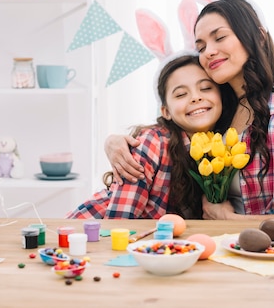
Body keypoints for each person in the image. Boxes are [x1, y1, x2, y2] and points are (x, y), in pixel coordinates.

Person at [106, 0, 274, 221]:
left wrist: (230, 220)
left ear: (257, 36)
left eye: (220, 38)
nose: (208, 51)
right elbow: (169, 133)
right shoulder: (220, 111)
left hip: (273, 254)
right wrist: (116, 142)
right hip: (222, 250)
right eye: (201, 46)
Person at [66, 53, 237, 219]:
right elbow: (119, 221)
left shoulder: (222, 147)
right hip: (87, 234)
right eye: (180, 94)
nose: (196, 97)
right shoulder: (153, 142)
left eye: (206, 88)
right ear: (166, 112)